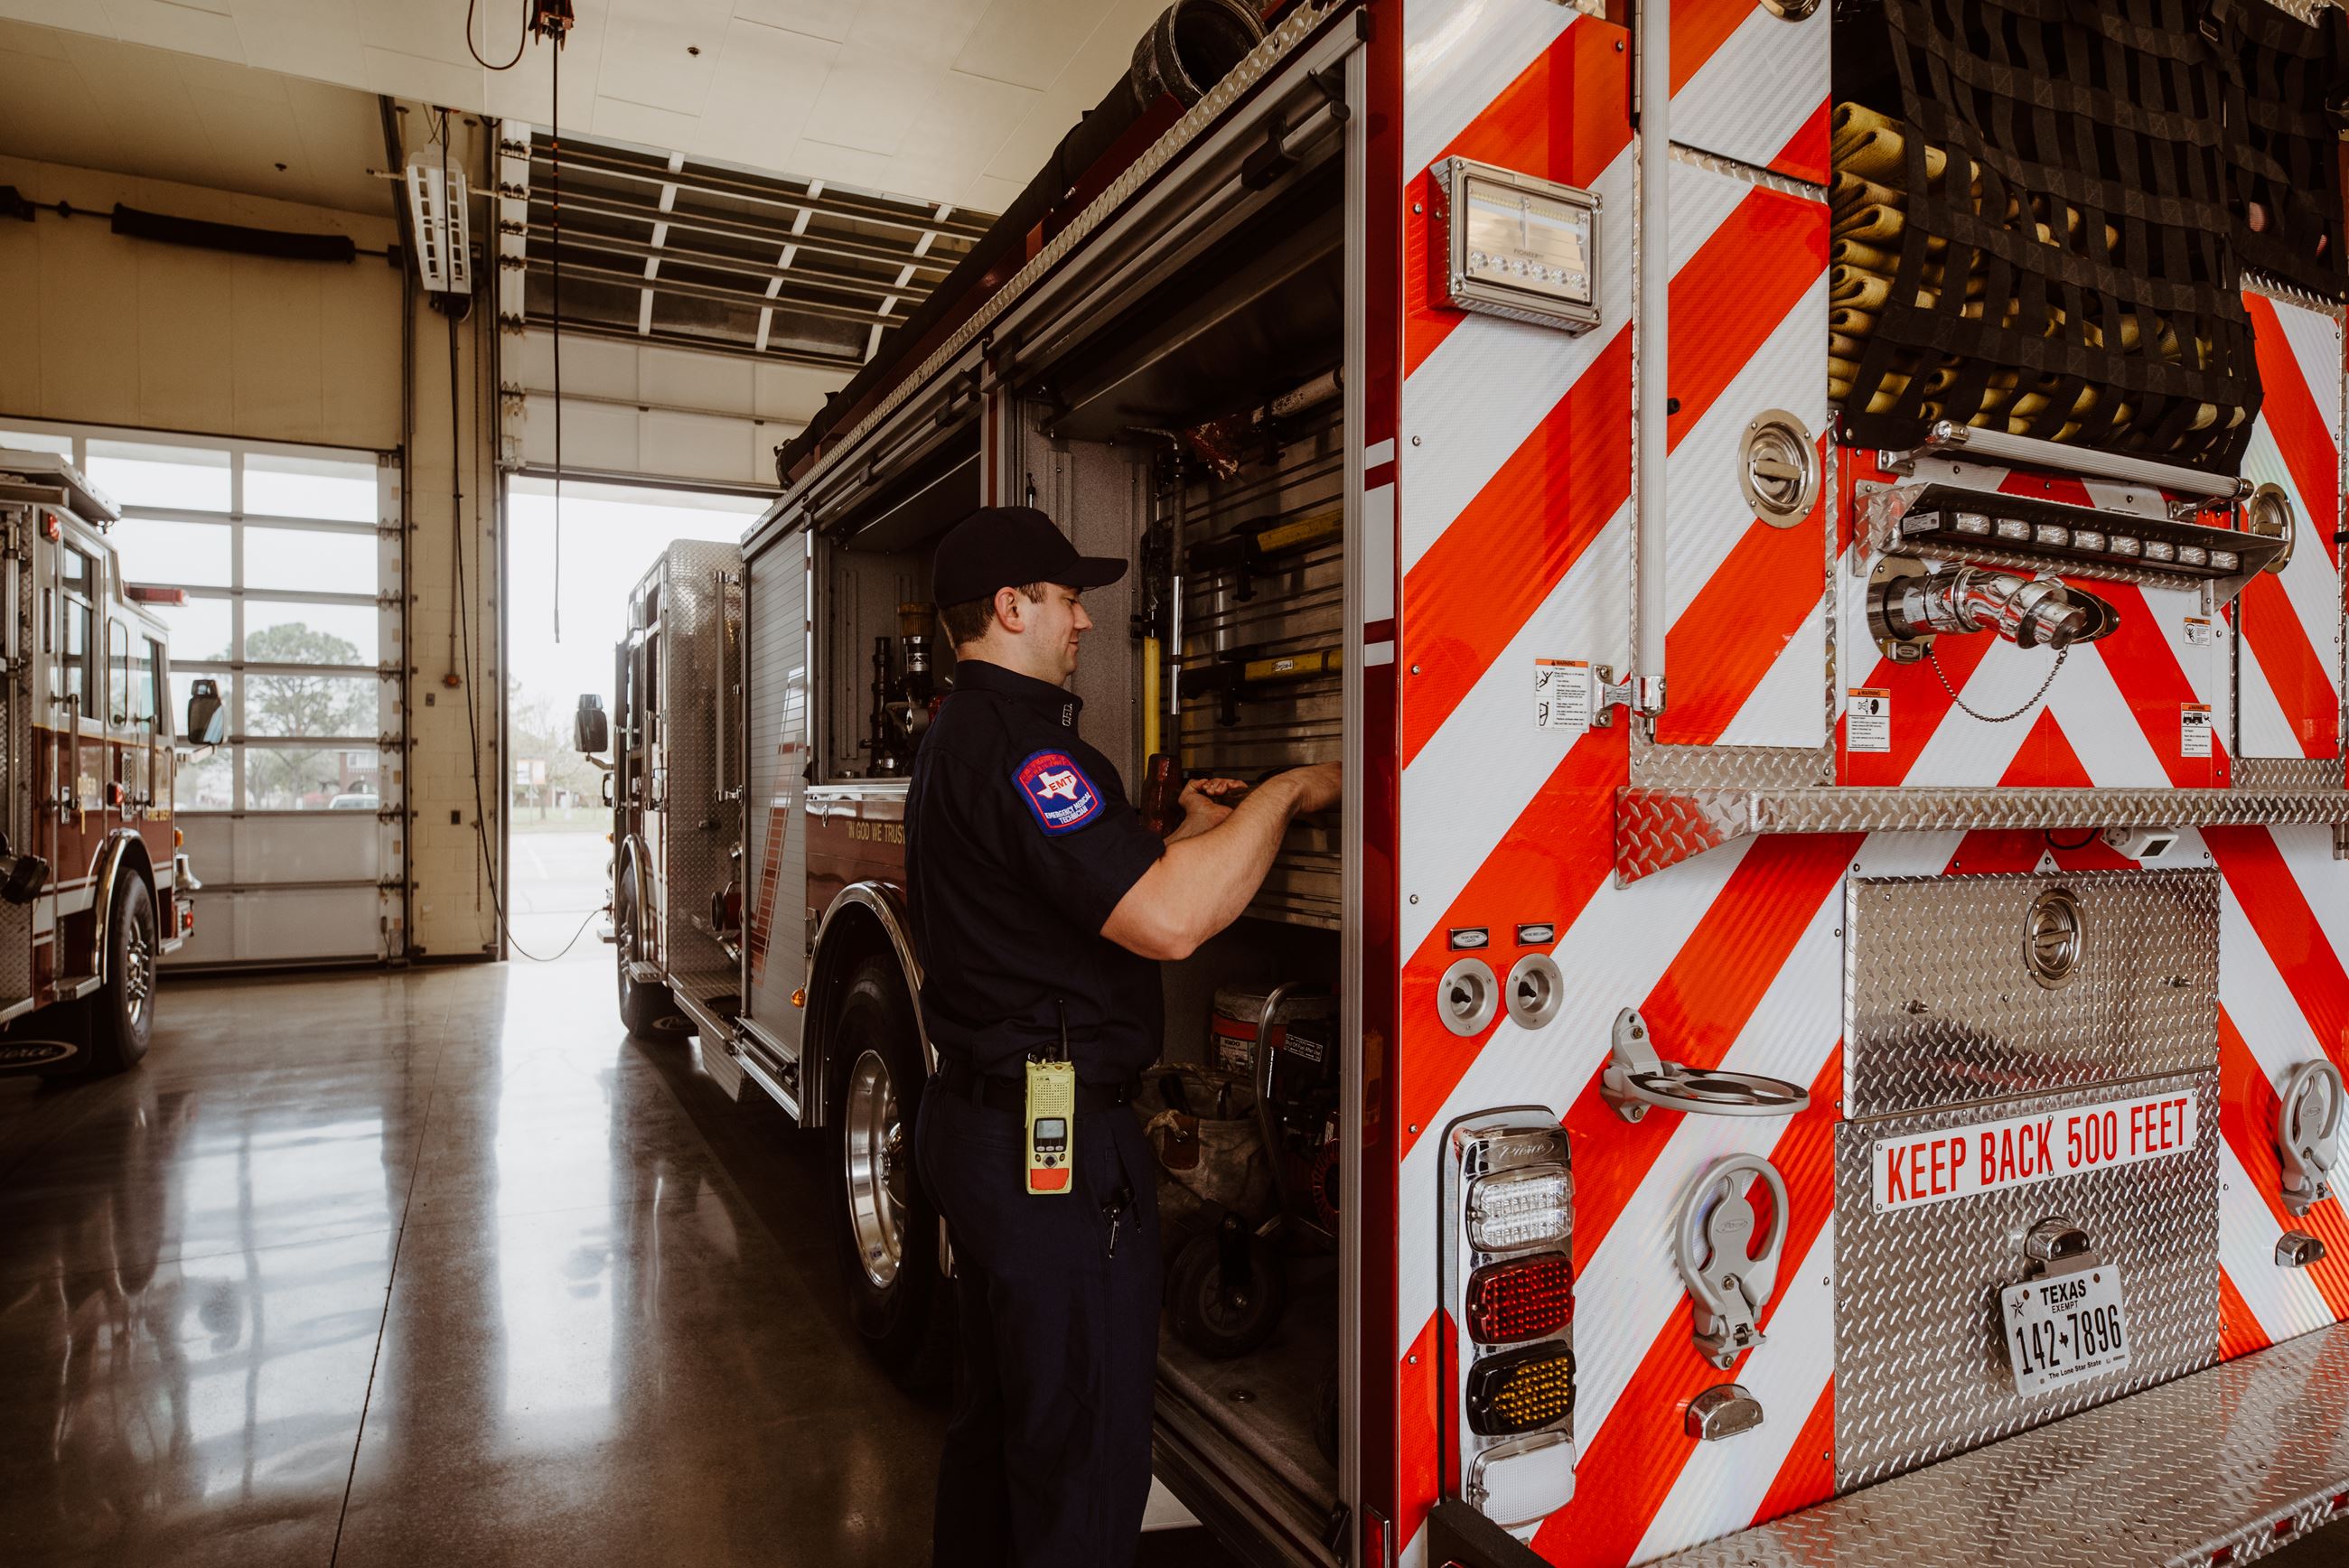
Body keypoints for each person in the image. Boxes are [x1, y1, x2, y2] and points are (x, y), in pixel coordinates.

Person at [906, 505, 1341, 1568]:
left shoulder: (959, 736)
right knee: (1083, 1454)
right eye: (1064, 598)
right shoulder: (1024, 750)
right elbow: (1167, 918)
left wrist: (1182, 834)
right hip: (1048, 1148)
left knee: (1002, 1425)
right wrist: (1283, 792)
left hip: (982, 1121)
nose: (1085, 621)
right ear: (1009, 608)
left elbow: (1070, 893)